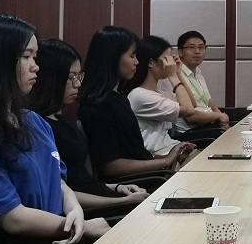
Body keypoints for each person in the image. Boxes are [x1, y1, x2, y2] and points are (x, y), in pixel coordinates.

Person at [0, 14, 109, 244]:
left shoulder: (35, 121)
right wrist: (76, 225)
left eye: (35, 57)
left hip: (56, 235)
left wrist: (75, 210)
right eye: (26, 56)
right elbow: (13, 219)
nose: (35, 66)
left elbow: (58, 182)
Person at [26, 38, 149, 209]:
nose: (77, 84)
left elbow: (83, 181)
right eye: (71, 77)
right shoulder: (37, 126)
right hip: (88, 210)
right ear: (51, 78)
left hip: (101, 198)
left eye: (79, 76)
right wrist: (119, 202)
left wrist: (117, 188)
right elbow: (60, 193)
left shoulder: (60, 120)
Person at [78, 26, 192, 180]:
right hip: (136, 183)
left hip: (147, 174)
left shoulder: (117, 98)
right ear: (113, 57)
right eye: (132, 56)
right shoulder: (98, 106)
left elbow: (136, 153)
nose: (137, 62)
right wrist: (166, 160)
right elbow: (110, 167)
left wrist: (174, 154)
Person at [125, 35, 197, 158]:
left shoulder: (157, 91)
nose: (171, 64)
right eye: (167, 59)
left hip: (169, 148)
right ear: (151, 62)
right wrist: (173, 76)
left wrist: (178, 73)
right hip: (157, 157)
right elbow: (189, 111)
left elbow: (192, 103)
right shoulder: (140, 95)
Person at [161, 30, 228, 141]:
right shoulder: (173, 75)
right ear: (180, 52)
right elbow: (190, 117)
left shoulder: (198, 72)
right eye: (191, 47)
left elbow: (210, 103)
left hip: (208, 126)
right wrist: (219, 116)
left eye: (201, 47)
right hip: (189, 133)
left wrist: (224, 122)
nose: (197, 52)